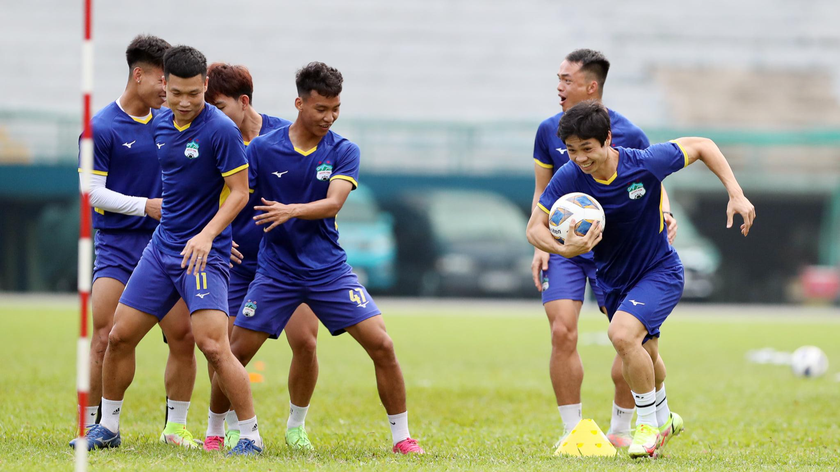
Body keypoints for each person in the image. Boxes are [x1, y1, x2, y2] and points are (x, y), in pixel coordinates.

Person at [207, 61, 424, 455]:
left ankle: (402, 438)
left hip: (328, 270)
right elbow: (231, 196)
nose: (329, 117)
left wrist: (290, 210)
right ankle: (215, 431)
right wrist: (216, 235)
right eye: (321, 108)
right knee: (233, 353)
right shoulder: (262, 150)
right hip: (277, 272)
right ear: (299, 103)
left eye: (336, 108)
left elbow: (334, 202)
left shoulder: (343, 150)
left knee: (382, 345)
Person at [526, 100, 755, 458]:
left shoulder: (643, 163)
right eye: (571, 150)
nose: (580, 158)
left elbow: (703, 146)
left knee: (620, 335)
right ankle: (664, 414)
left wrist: (736, 193)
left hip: (659, 272)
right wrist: (564, 248)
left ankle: (648, 426)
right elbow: (533, 229)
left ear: (607, 140)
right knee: (647, 356)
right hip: (613, 281)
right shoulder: (569, 176)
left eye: (587, 149)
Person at [80, 45, 264, 456]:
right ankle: (107, 427)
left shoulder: (220, 131)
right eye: (177, 93)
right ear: (165, 86)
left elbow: (239, 193)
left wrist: (210, 235)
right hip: (161, 248)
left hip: (202, 254)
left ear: (204, 87)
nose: (184, 102)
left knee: (212, 345)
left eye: (194, 94)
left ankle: (250, 434)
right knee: (119, 336)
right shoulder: (161, 122)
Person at [531, 48, 678, 449]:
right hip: (566, 246)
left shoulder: (629, 133)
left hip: (614, 251)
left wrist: (664, 211)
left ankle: (623, 427)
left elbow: (649, 179)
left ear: (590, 86)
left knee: (631, 339)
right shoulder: (548, 130)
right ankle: (572, 431)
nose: (558, 87)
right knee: (563, 331)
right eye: (558, 79)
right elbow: (543, 193)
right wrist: (549, 244)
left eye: (566, 80)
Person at [69, 35, 199, 450]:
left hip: (170, 244)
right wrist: (146, 206)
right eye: (163, 79)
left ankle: (175, 428)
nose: (169, 89)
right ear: (138, 75)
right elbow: (91, 192)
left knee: (183, 336)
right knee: (106, 336)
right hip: (119, 245)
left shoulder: (175, 122)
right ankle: (95, 427)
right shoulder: (101, 127)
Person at [202, 62, 321, 451]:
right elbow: (199, 198)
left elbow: (313, 192)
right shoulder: (211, 140)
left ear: (243, 102)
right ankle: (226, 425)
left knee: (305, 342)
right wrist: (218, 236)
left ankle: (297, 425)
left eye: (216, 105)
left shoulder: (286, 134)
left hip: (287, 261)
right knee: (227, 348)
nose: (208, 114)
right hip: (235, 262)